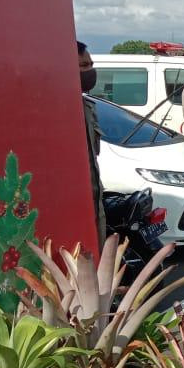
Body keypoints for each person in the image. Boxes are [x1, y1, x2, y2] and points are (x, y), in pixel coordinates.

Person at [78, 41, 106, 247]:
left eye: (91, 64)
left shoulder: (87, 107)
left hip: (94, 201)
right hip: (76, 207)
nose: (91, 71)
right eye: (84, 66)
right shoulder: (60, 109)